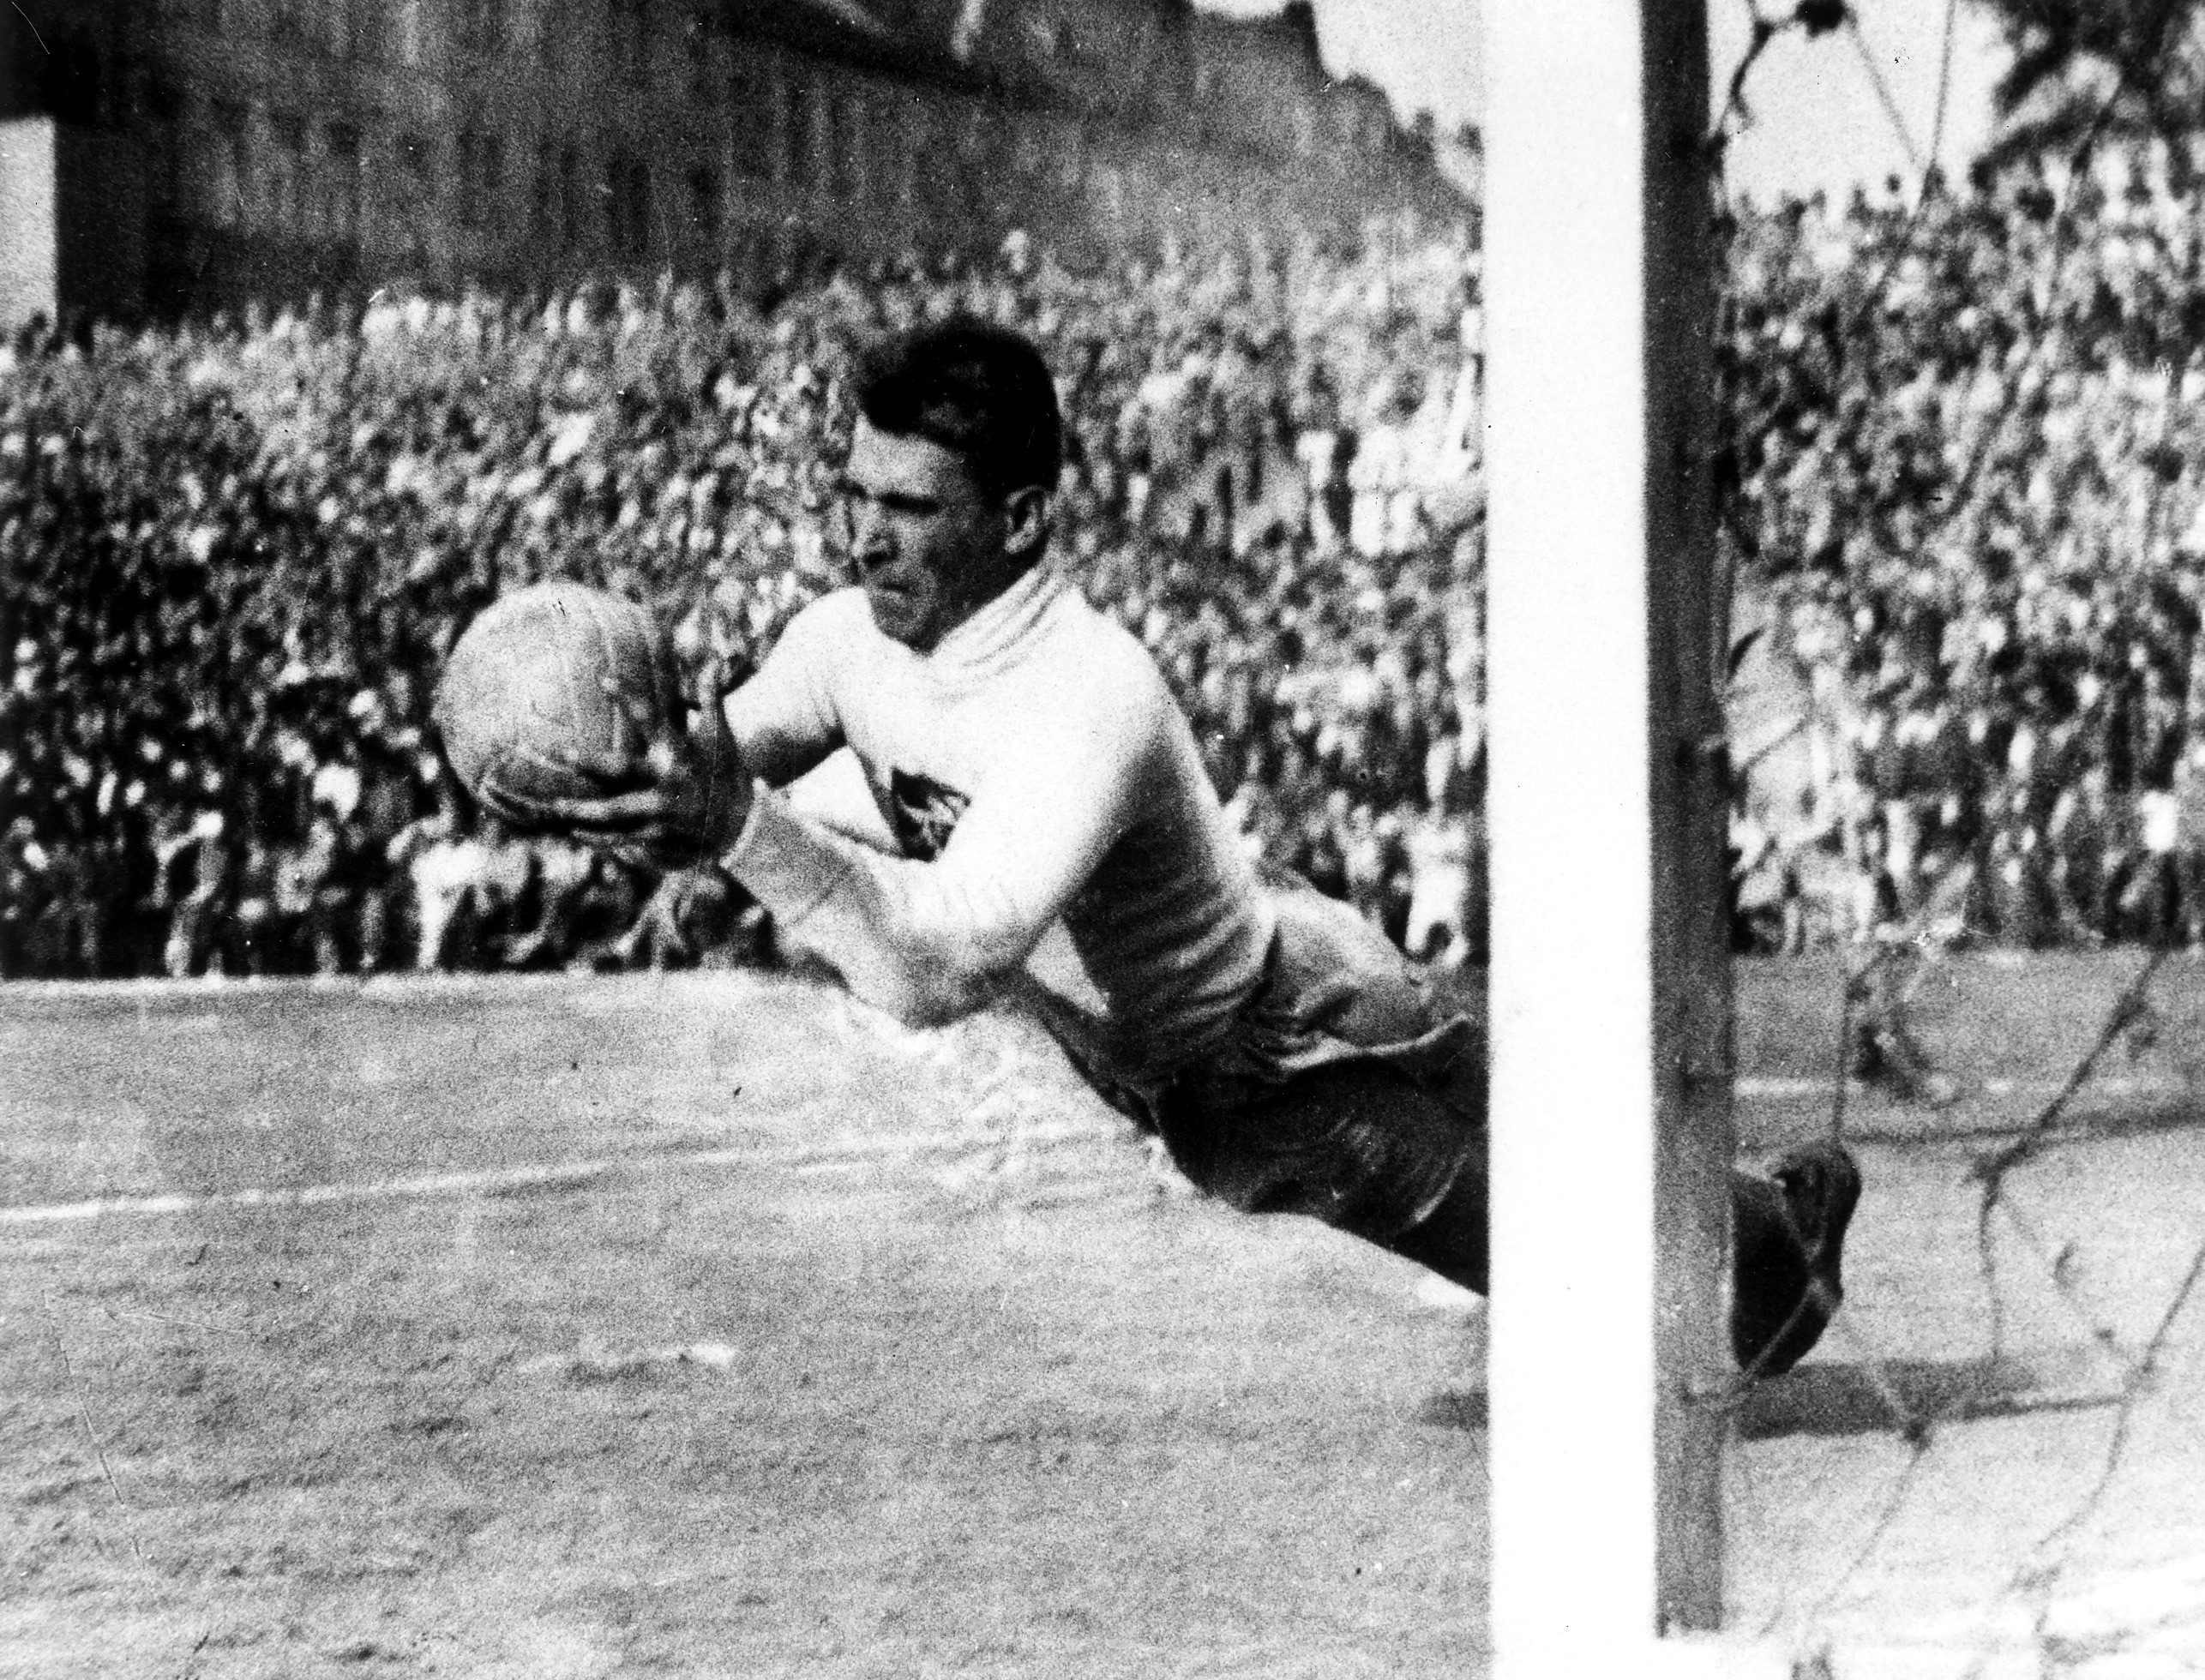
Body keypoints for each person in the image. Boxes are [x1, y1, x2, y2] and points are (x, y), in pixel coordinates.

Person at [536, 318, 1861, 1377]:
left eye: (912, 508)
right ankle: (1757, 1222)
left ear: (1024, 519)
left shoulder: (1086, 692)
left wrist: (726, 825)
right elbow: (727, 762)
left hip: (1282, 1054)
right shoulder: (844, 638)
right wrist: (621, 774)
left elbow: (938, 964)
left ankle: (1777, 1253)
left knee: (1575, 1260)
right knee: (1544, 1176)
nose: (864, 535)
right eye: (855, 497)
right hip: (1221, 1014)